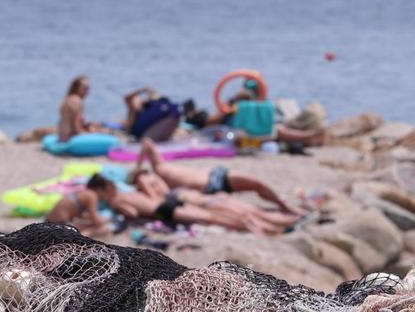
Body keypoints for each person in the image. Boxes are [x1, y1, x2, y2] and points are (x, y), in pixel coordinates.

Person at [136, 139, 305, 216]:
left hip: (216, 176)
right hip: (212, 184)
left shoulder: (160, 167)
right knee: (254, 189)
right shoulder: (159, 180)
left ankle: (284, 206)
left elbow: (147, 143)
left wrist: (137, 167)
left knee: (257, 184)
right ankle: (285, 209)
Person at [127, 169, 298, 235]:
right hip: (210, 200)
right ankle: (286, 224)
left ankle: (284, 226)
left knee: (249, 215)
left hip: (209, 202)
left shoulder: (164, 191)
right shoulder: (162, 188)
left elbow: (155, 194)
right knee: (250, 214)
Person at [182, 78, 326, 147]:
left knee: (276, 130)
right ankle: (307, 137)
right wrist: (233, 101)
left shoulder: (243, 105)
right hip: (233, 133)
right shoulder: (204, 119)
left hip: (245, 129)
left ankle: (308, 137)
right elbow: (211, 122)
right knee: (276, 132)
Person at [44, 175, 111, 238]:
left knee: (85, 225)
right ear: (99, 189)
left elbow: (80, 215)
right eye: (105, 192)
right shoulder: (92, 195)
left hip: (48, 221)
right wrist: (105, 219)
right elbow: (96, 222)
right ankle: (82, 237)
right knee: (102, 229)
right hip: (60, 225)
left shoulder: (82, 192)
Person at [57, 75, 104, 142]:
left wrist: (86, 126)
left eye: (88, 88)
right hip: (69, 139)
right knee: (101, 131)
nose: (87, 91)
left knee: (93, 126)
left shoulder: (68, 99)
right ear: (76, 88)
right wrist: (89, 132)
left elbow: (71, 122)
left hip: (61, 137)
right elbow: (76, 128)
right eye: (84, 88)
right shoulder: (77, 101)